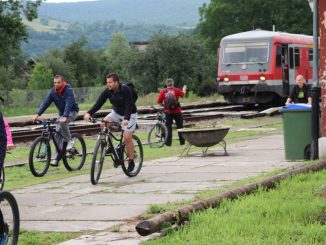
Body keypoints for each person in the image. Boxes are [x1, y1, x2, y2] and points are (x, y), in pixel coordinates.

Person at [83, 73, 138, 172]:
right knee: (103, 124)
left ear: (116, 82)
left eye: (110, 82)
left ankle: (131, 160)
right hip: (116, 112)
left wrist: (126, 119)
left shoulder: (126, 89)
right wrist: (89, 113)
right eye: (107, 82)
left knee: (127, 137)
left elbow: (129, 105)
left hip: (130, 114)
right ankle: (110, 146)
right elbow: (98, 103)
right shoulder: (108, 91)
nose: (108, 84)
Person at [32, 75, 79, 166]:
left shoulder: (68, 90)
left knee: (63, 123)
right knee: (57, 132)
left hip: (72, 111)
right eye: (55, 82)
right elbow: (46, 102)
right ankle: (57, 157)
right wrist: (38, 114)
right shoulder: (53, 92)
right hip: (62, 113)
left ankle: (69, 141)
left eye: (58, 82)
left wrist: (65, 116)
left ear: (63, 82)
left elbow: (69, 104)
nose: (56, 84)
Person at [157, 78, 187, 146]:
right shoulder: (176, 90)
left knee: (168, 127)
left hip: (168, 112)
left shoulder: (163, 91)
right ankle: (182, 142)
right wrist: (184, 89)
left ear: (166, 84)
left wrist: (165, 106)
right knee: (180, 127)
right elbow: (183, 95)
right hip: (177, 111)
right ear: (172, 83)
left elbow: (159, 101)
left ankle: (168, 143)